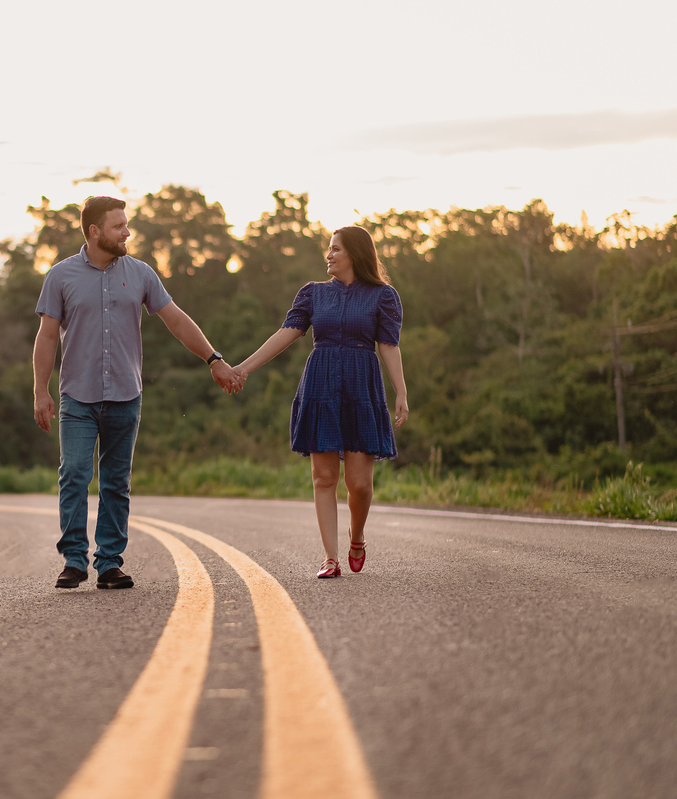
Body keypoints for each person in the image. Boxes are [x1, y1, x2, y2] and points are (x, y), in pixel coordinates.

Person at [33, 196, 244, 589]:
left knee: (116, 481)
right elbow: (46, 336)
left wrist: (214, 358)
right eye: (118, 226)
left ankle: (109, 562)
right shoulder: (60, 276)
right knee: (75, 474)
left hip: (126, 395)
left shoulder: (142, 273)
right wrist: (39, 391)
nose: (127, 232)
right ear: (95, 231)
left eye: (126, 225)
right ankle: (74, 560)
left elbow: (176, 320)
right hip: (77, 396)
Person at [233, 225, 408, 578]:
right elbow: (286, 333)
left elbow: (388, 345)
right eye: (328, 250)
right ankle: (331, 557)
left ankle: (356, 537)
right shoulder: (312, 294)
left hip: (362, 387)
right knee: (323, 477)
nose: (328, 255)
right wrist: (243, 368)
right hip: (321, 384)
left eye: (335, 250)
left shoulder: (383, 296)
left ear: (354, 254)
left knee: (358, 483)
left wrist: (401, 392)